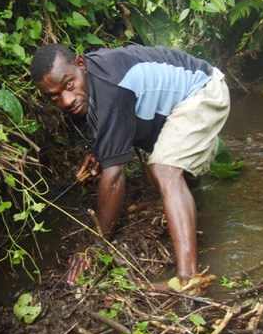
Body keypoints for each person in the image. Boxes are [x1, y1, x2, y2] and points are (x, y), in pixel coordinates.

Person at [30, 44, 230, 291]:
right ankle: (194, 197)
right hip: (174, 106)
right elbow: (106, 130)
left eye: (69, 85)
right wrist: (97, 153)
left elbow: (114, 177)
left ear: (80, 64)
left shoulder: (110, 85)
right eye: (54, 96)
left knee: (164, 170)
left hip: (202, 91)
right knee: (162, 171)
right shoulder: (92, 81)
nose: (66, 100)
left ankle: (188, 279)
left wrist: (95, 245)